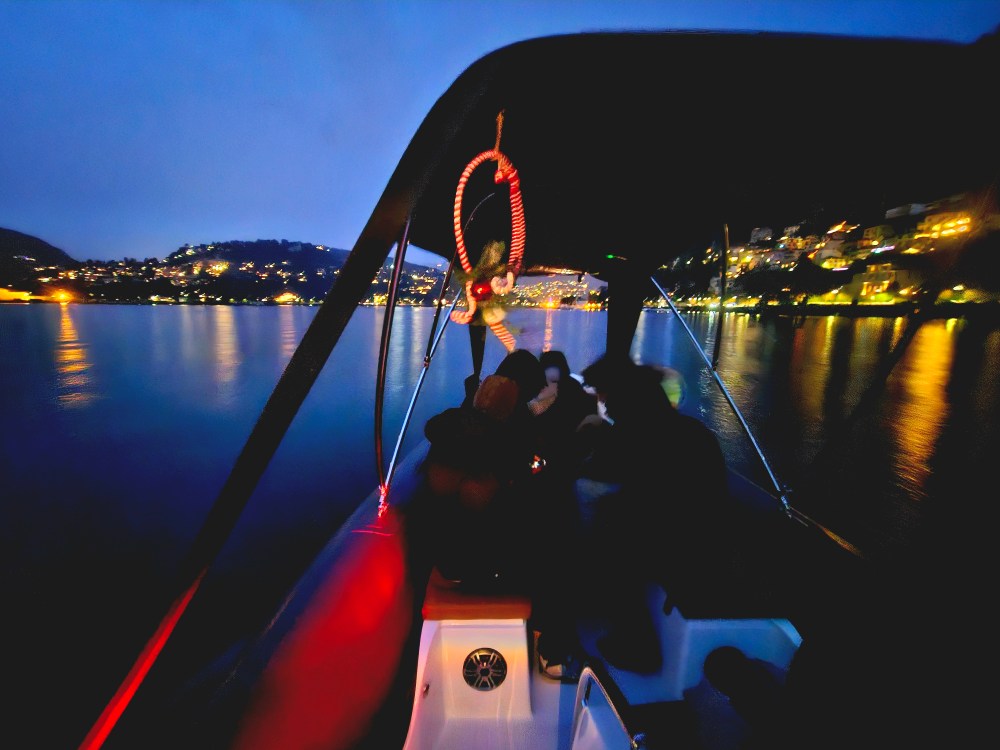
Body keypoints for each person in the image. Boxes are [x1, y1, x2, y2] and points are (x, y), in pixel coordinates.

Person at [576, 352, 732, 673]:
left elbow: (601, 474)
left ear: (615, 392)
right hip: (708, 531)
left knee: (608, 537)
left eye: (601, 395)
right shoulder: (683, 428)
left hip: (680, 541)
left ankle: (638, 646)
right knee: (617, 519)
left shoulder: (635, 429)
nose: (601, 402)